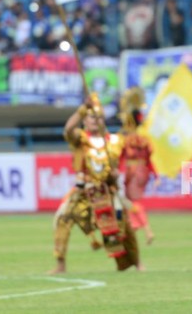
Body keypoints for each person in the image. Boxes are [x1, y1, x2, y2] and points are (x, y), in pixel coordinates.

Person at [51, 93, 141, 274]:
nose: (94, 120)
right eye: (90, 116)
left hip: (106, 191)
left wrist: (115, 174)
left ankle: (135, 263)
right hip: (84, 191)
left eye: (97, 117)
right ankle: (60, 265)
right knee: (63, 218)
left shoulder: (115, 141)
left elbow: (120, 164)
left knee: (123, 225)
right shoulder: (80, 138)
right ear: (85, 119)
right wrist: (82, 108)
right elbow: (68, 129)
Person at [118, 87, 158, 245]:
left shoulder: (126, 140)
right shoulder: (144, 140)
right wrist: (155, 175)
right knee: (130, 201)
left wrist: (117, 171)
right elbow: (149, 160)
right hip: (143, 172)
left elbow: (120, 157)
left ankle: (148, 230)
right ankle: (133, 229)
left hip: (132, 171)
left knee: (133, 202)